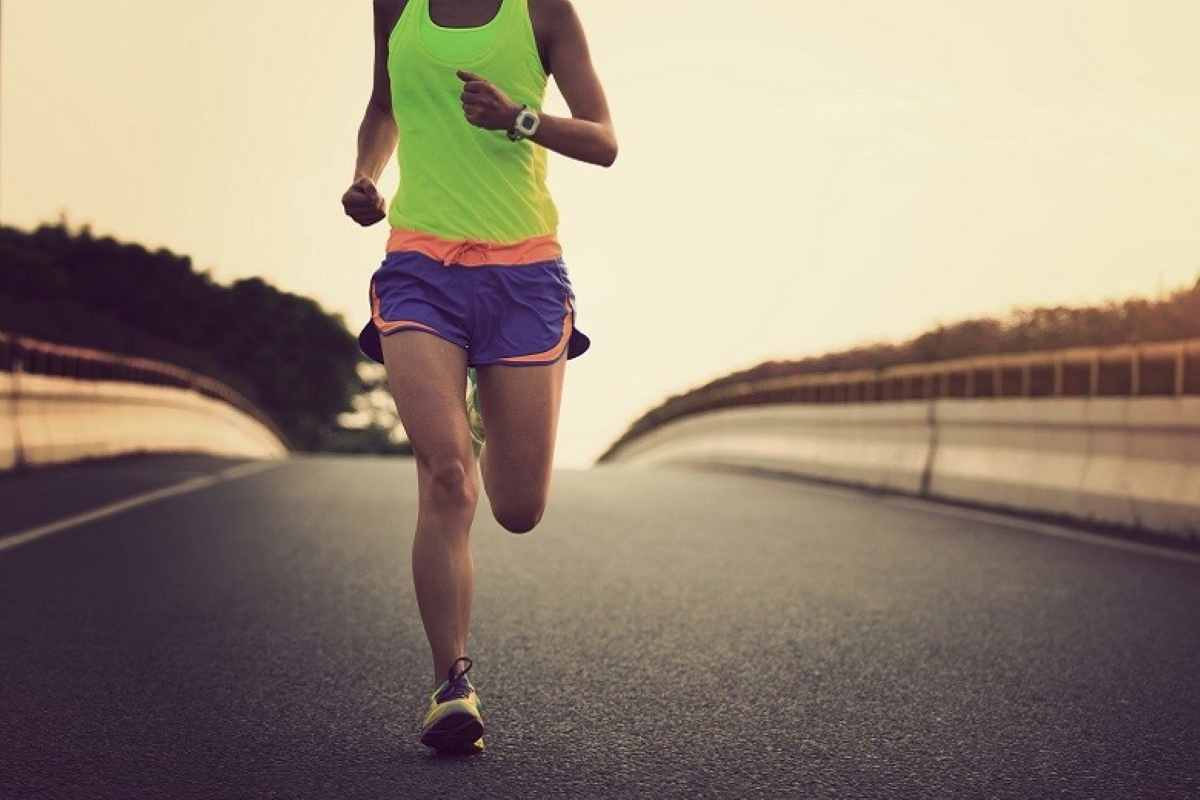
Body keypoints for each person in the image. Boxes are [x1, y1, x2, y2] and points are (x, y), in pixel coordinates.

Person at [341, 0, 616, 755]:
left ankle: (486, 414)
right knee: (446, 477)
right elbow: (383, 105)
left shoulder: (544, 13)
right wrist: (366, 177)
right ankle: (451, 685)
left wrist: (520, 119)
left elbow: (604, 141)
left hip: (525, 277)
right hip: (420, 268)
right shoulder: (395, 6)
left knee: (518, 507)